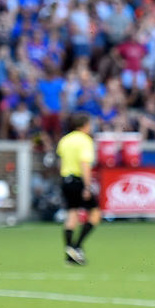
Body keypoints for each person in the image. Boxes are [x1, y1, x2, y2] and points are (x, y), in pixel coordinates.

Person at [56, 112, 100, 265]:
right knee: (95, 213)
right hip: (78, 180)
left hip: (65, 179)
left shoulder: (65, 140)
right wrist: (87, 186)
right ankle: (76, 246)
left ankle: (70, 254)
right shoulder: (85, 140)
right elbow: (84, 164)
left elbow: (61, 163)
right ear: (85, 125)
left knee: (72, 215)